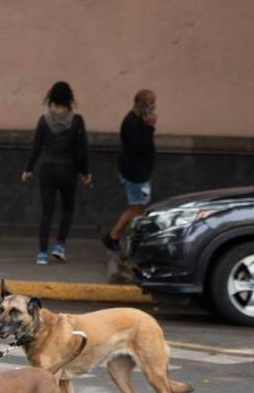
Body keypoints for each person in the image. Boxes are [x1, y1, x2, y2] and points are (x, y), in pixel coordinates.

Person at [22, 81, 91, 265]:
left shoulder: (44, 120)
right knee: (67, 209)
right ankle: (59, 246)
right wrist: (85, 172)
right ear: (69, 99)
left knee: (47, 212)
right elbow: (81, 149)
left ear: (51, 97)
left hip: (47, 169)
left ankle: (42, 254)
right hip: (68, 170)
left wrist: (28, 168)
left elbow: (36, 147)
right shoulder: (76, 121)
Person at [102, 90, 157, 252]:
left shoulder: (140, 121)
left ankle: (117, 237)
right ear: (142, 105)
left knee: (140, 208)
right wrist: (150, 127)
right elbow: (138, 147)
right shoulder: (130, 122)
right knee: (136, 208)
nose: (154, 107)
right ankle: (115, 236)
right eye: (151, 104)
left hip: (143, 173)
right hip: (134, 173)